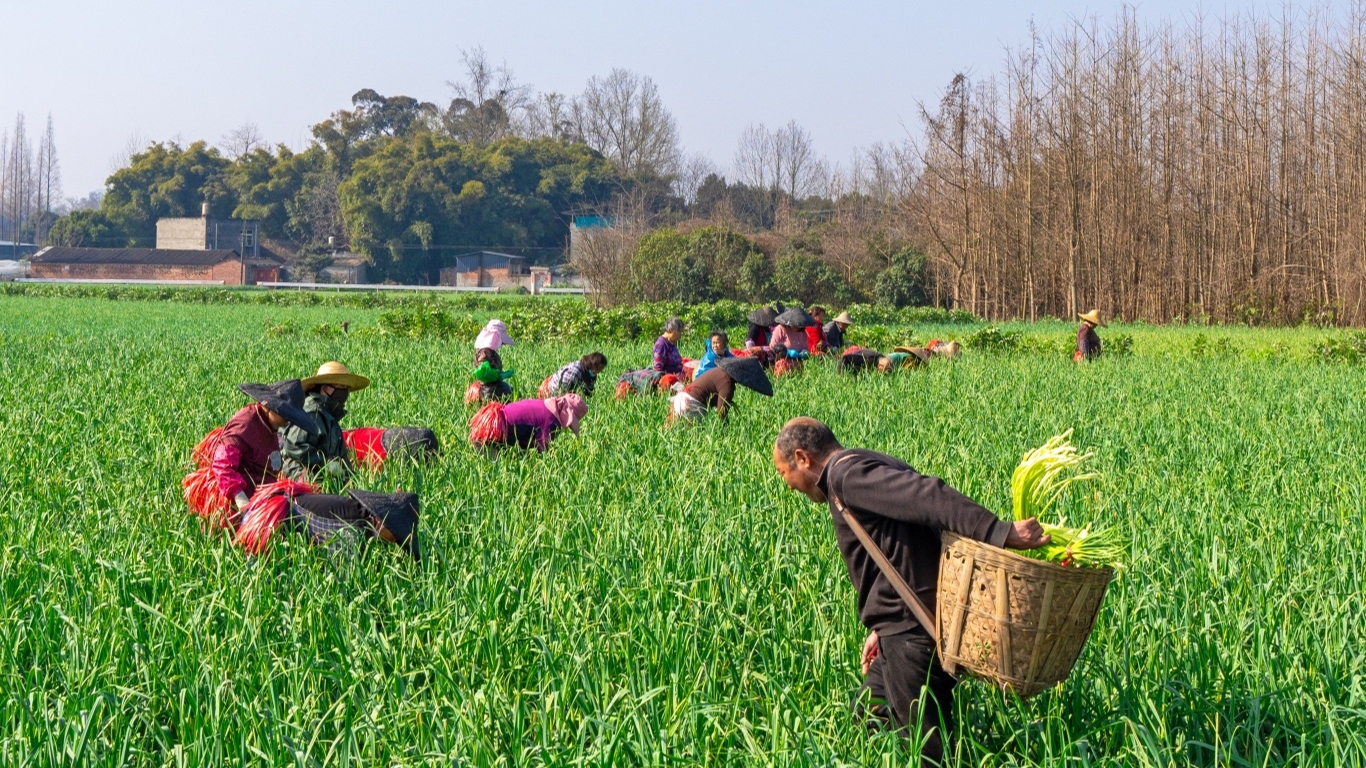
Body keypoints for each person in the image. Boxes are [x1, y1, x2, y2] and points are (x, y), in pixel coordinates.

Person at [771, 418, 1050, 765]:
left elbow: (928, 496)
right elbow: (898, 545)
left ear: (802, 458)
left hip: (912, 635)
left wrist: (1000, 531)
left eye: (783, 472)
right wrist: (880, 626)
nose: (788, 485)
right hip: (899, 627)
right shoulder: (861, 464)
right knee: (868, 714)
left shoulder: (848, 477)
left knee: (928, 751)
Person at [183, 379, 321, 526]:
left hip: (260, 496)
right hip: (235, 503)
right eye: (284, 414)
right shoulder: (245, 424)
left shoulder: (271, 424)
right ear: (268, 406)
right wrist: (240, 499)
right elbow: (222, 465)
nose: (287, 419)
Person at [236, 487, 422, 561]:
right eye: (396, 535)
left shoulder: (363, 514)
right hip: (266, 526)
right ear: (384, 523)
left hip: (267, 514)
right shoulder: (353, 527)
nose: (394, 541)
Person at [280, 361, 371, 482]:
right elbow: (294, 445)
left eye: (346, 388)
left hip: (324, 475)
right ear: (325, 388)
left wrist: (351, 478)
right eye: (340, 387)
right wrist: (325, 465)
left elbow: (342, 456)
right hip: (298, 473)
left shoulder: (331, 417)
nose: (344, 393)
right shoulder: (311, 412)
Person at [470, 394, 587, 453]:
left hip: (488, 423)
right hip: (496, 431)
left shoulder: (547, 406)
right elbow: (542, 450)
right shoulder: (551, 421)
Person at [670, 356, 772, 423]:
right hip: (690, 405)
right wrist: (725, 431)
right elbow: (721, 412)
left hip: (681, 399)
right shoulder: (727, 384)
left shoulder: (720, 372)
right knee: (694, 437)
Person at [539, 352, 608, 398]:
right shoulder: (573, 373)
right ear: (593, 365)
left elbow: (588, 392)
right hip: (551, 392)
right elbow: (564, 395)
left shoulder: (591, 373)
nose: (600, 371)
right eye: (600, 368)